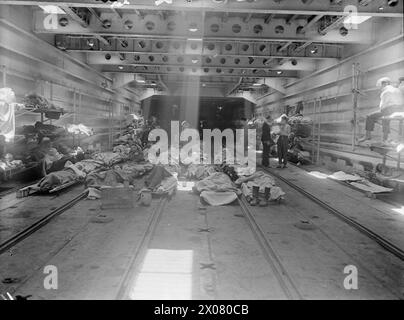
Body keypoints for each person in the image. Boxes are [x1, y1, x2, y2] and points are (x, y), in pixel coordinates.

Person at [359, 77, 403, 142]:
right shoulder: (397, 89)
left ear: (384, 84)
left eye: (380, 86)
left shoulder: (385, 92)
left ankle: (367, 136)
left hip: (390, 109)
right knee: (386, 117)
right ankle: (385, 138)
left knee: (370, 116)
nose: (380, 88)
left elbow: (382, 107)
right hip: (400, 110)